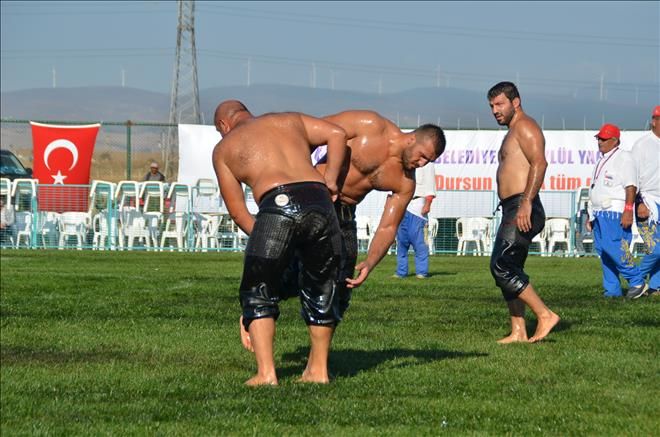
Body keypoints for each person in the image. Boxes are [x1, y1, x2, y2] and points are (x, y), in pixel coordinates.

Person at [212, 99, 347, 386]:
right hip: (320, 200)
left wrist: (270, 239)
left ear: (223, 124)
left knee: (257, 290)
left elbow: (238, 212)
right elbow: (337, 134)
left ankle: (266, 373)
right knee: (321, 287)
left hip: (277, 202)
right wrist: (332, 179)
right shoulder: (289, 119)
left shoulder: (224, 148)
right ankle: (318, 371)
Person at [313, 111, 445, 318]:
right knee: (286, 270)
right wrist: (298, 168)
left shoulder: (405, 182)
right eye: (422, 156)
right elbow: (313, 130)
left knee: (341, 289)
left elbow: (388, 227)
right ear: (412, 138)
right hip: (314, 195)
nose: (421, 164)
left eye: (428, 161)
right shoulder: (371, 125)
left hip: (345, 212)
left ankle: (323, 336)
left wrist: (370, 262)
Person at [487, 81, 560, 344]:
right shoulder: (513, 131)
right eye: (492, 106)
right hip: (513, 206)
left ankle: (545, 315)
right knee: (510, 267)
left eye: (500, 104)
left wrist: (526, 202)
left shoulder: (525, 126)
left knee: (501, 265)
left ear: (515, 102)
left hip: (523, 205)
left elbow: (540, 163)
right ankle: (518, 330)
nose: (495, 110)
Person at [586, 123, 646, 299]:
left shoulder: (624, 158)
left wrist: (628, 210)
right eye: (599, 138)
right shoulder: (601, 160)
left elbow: (631, 186)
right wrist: (590, 214)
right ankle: (612, 290)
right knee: (604, 251)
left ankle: (637, 280)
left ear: (614, 140)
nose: (600, 142)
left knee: (613, 247)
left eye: (604, 139)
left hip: (614, 211)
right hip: (598, 212)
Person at [630, 106, 660, 296]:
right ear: (654, 121)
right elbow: (632, 177)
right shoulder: (642, 145)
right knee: (655, 249)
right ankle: (637, 282)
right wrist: (639, 201)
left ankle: (655, 286)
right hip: (647, 202)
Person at [393, 162, 436, 278]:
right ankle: (401, 272)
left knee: (419, 243)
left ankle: (421, 272)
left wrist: (427, 204)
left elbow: (430, 186)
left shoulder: (427, 164)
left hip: (418, 206)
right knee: (402, 242)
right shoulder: (404, 162)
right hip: (403, 204)